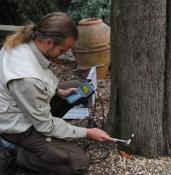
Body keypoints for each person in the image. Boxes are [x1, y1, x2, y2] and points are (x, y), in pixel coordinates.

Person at [0, 12, 113, 175]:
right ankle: (15, 151)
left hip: (24, 106)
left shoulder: (26, 41)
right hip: (17, 129)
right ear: (49, 43)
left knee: (78, 88)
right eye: (63, 50)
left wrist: (58, 92)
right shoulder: (26, 78)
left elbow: (39, 80)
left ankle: (49, 143)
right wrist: (87, 133)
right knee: (78, 162)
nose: (64, 53)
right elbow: (45, 125)